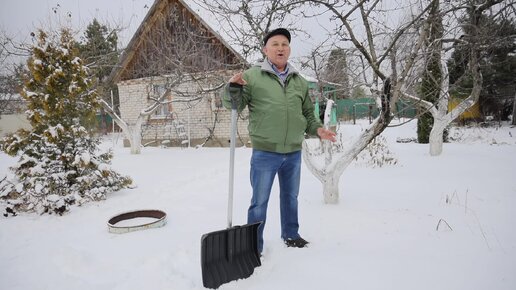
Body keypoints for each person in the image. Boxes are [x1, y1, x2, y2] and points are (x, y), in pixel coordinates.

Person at [223, 28, 336, 254]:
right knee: (259, 202)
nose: (280, 48)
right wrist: (232, 88)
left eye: (284, 44)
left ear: (289, 49)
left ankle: (291, 235)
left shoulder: (299, 81)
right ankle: (254, 246)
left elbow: (307, 113)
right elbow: (233, 104)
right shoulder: (253, 76)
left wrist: (318, 130)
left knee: (290, 198)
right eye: (275, 44)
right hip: (265, 152)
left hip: (293, 152)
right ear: (266, 50)